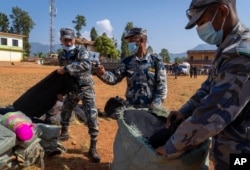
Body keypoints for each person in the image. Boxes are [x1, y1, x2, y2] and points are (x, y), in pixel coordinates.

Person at [156, 0, 250, 170]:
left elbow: (215, 113)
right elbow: (208, 88)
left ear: (222, 11)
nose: (199, 29)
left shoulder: (241, 54)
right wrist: (184, 112)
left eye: (201, 22)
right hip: (229, 150)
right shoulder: (226, 48)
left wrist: (172, 146)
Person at [57, 28, 101, 163]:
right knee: (65, 111)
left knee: (91, 116)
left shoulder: (81, 51)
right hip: (72, 89)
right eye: (66, 40)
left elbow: (86, 65)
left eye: (71, 40)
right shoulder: (62, 56)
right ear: (61, 40)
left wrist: (67, 68)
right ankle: (64, 133)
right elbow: (64, 77)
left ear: (74, 40)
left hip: (86, 88)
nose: (69, 43)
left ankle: (93, 148)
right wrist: (62, 91)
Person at [96, 27, 167, 109]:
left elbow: (162, 88)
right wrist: (103, 74)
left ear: (142, 40)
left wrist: (155, 106)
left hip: (150, 110)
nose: (129, 43)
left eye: (132, 39)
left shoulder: (156, 61)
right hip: (131, 109)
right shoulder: (127, 62)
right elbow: (114, 78)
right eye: (128, 40)